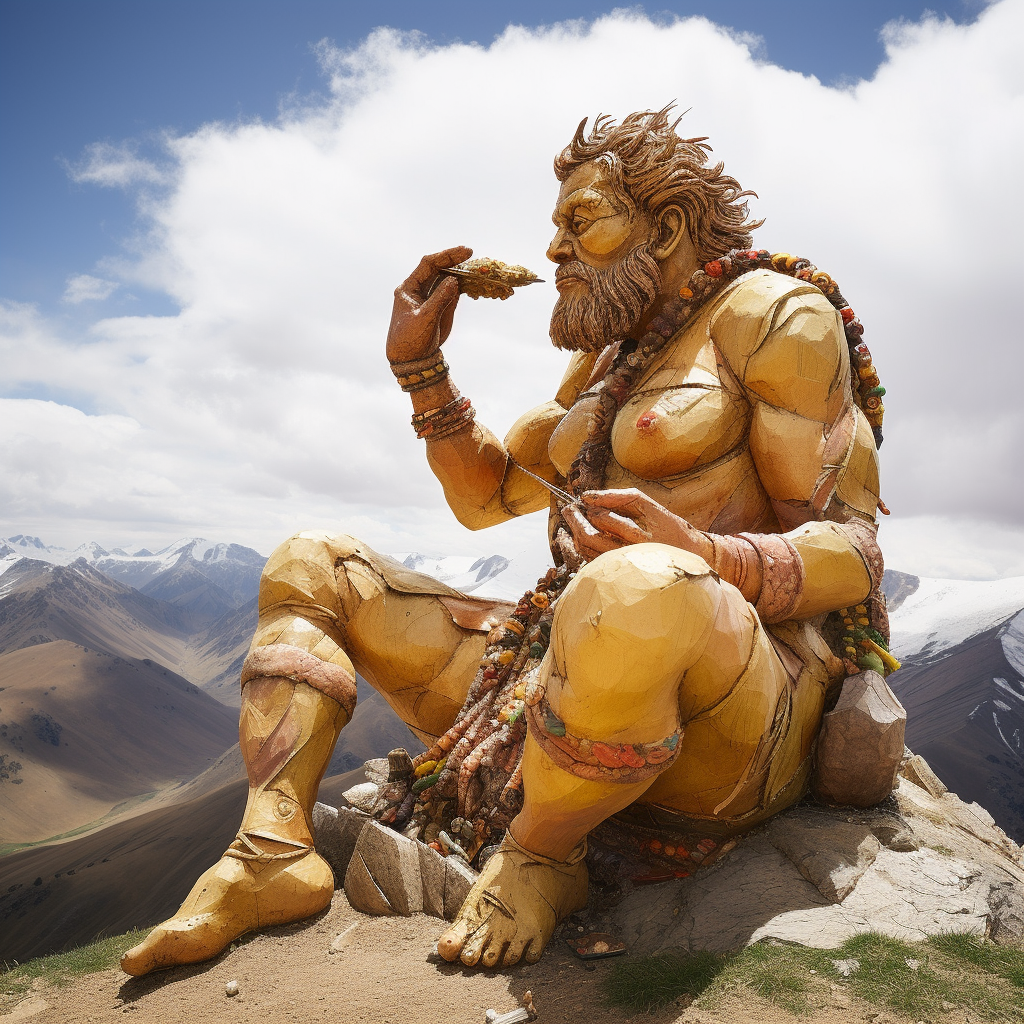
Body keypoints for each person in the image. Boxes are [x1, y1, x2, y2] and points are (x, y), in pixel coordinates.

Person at [122, 107, 885, 976]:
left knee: (638, 587)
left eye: (581, 222)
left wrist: (707, 557)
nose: (556, 250)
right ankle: (272, 855)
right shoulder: (608, 358)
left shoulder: (777, 315)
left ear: (666, 227)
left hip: (739, 713)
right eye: (555, 227)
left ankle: (543, 855)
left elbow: (855, 553)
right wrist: (421, 367)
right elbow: (485, 498)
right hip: (557, 666)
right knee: (312, 563)